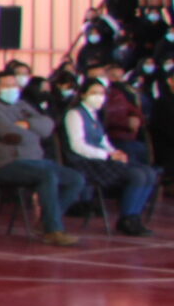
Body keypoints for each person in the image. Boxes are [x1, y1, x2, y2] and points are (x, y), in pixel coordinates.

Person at [0, 68, 87, 247]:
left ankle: (47, 221)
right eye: (7, 86)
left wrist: (27, 125)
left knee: (75, 179)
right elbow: (12, 134)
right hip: (8, 164)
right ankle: (53, 230)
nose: (12, 89)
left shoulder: (22, 105)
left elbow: (48, 126)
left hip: (37, 161)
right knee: (47, 176)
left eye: (14, 85)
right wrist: (34, 131)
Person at [63, 76, 158, 237]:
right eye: (94, 93)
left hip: (103, 158)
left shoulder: (95, 115)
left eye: (101, 93)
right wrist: (106, 155)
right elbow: (77, 145)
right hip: (86, 161)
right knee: (137, 175)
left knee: (149, 173)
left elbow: (103, 141)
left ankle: (135, 216)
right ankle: (126, 219)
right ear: (83, 94)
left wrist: (115, 152)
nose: (99, 97)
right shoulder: (74, 114)